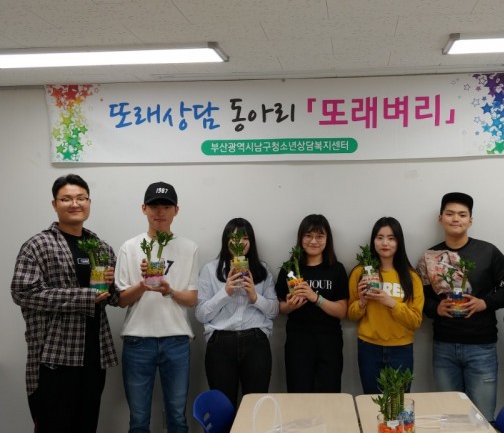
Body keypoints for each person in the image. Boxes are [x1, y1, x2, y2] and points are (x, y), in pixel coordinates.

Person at [11, 174, 118, 433]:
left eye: (81, 198)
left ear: (89, 202)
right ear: (54, 204)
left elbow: (112, 297)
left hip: (95, 355)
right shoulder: (38, 245)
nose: (75, 204)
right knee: (53, 426)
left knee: (86, 425)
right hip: (54, 356)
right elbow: (23, 292)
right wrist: (84, 297)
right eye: (66, 199)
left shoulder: (100, 247)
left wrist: (116, 284)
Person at [115, 181, 200, 433]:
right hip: (137, 341)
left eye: (166, 206)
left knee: (177, 417)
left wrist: (169, 291)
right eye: (154, 206)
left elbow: (192, 299)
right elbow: (121, 300)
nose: (160, 212)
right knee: (139, 420)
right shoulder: (129, 247)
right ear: (144, 208)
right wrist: (143, 285)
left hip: (176, 340)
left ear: (176, 210)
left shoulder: (189, 248)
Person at [415, 192, 504, 422]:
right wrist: (435, 308)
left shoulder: (489, 252)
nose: (455, 219)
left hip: (481, 347)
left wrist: (485, 303)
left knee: (482, 419)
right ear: (441, 218)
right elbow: (418, 296)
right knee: (449, 418)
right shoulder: (429, 257)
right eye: (450, 214)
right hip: (444, 346)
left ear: (470, 220)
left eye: (462, 214)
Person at [196, 218, 278, 406]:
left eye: (245, 238)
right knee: (223, 407)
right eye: (234, 238)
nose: (239, 243)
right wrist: (225, 292)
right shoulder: (210, 270)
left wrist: (254, 296)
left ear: (251, 242)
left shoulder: (262, 270)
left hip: (256, 342)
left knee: (256, 406)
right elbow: (200, 314)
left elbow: (274, 311)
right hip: (220, 343)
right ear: (226, 241)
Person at [347, 216, 424, 394]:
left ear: (399, 242)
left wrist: (390, 303)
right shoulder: (360, 272)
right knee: (370, 402)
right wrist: (362, 302)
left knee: (398, 404)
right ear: (373, 241)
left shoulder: (411, 277)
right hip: (368, 347)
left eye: (391, 238)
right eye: (380, 237)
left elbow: (415, 321)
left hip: (401, 349)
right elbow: (351, 314)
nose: (385, 243)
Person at [275, 214, 349, 392]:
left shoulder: (336, 269)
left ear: (327, 239)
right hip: (298, 340)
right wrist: (290, 306)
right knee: (298, 393)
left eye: (320, 236)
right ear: (300, 238)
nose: (314, 241)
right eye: (308, 235)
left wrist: (315, 298)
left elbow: (342, 311)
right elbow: (278, 307)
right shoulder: (289, 268)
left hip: (329, 340)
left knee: (329, 395)